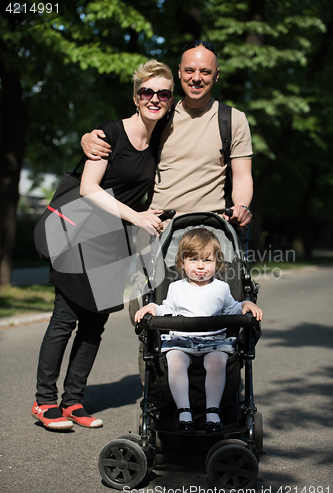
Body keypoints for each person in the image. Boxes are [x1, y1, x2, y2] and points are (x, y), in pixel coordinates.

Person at [31, 60, 174, 431]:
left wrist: (144, 212)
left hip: (114, 241)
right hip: (80, 233)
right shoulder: (110, 132)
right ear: (136, 96)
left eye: (162, 93)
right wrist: (138, 217)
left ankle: (73, 401)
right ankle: (44, 401)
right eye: (147, 92)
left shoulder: (158, 138)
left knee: (95, 325)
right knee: (64, 319)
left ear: (170, 99)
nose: (154, 99)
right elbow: (88, 189)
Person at [81, 41, 253, 227]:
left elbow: (242, 176)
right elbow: (126, 133)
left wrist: (241, 205)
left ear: (216, 75)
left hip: (209, 231)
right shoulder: (161, 114)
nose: (196, 78)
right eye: (189, 70)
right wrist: (86, 138)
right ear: (179, 72)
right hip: (158, 229)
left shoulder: (232, 119)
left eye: (205, 71)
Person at [134, 228, 263, 432]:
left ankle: (213, 410)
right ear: (182, 262)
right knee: (175, 359)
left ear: (217, 264)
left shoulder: (221, 288)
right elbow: (167, 309)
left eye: (207, 260)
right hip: (181, 341)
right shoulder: (176, 287)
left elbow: (231, 308)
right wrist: (153, 308)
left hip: (214, 342)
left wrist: (245, 304)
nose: (200, 266)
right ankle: (183, 410)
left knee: (218, 361)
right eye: (193, 259)